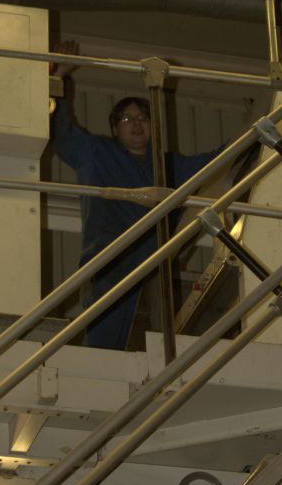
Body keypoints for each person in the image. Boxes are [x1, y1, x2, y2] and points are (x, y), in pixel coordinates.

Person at [50, 69, 228, 351]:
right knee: (103, 344)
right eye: (127, 119)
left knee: (159, 348)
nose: (136, 124)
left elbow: (216, 162)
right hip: (108, 262)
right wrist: (56, 82)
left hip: (155, 269)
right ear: (114, 129)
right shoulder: (97, 154)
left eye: (143, 118)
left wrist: (255, 135)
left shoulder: (168, 166)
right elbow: (63, 134)